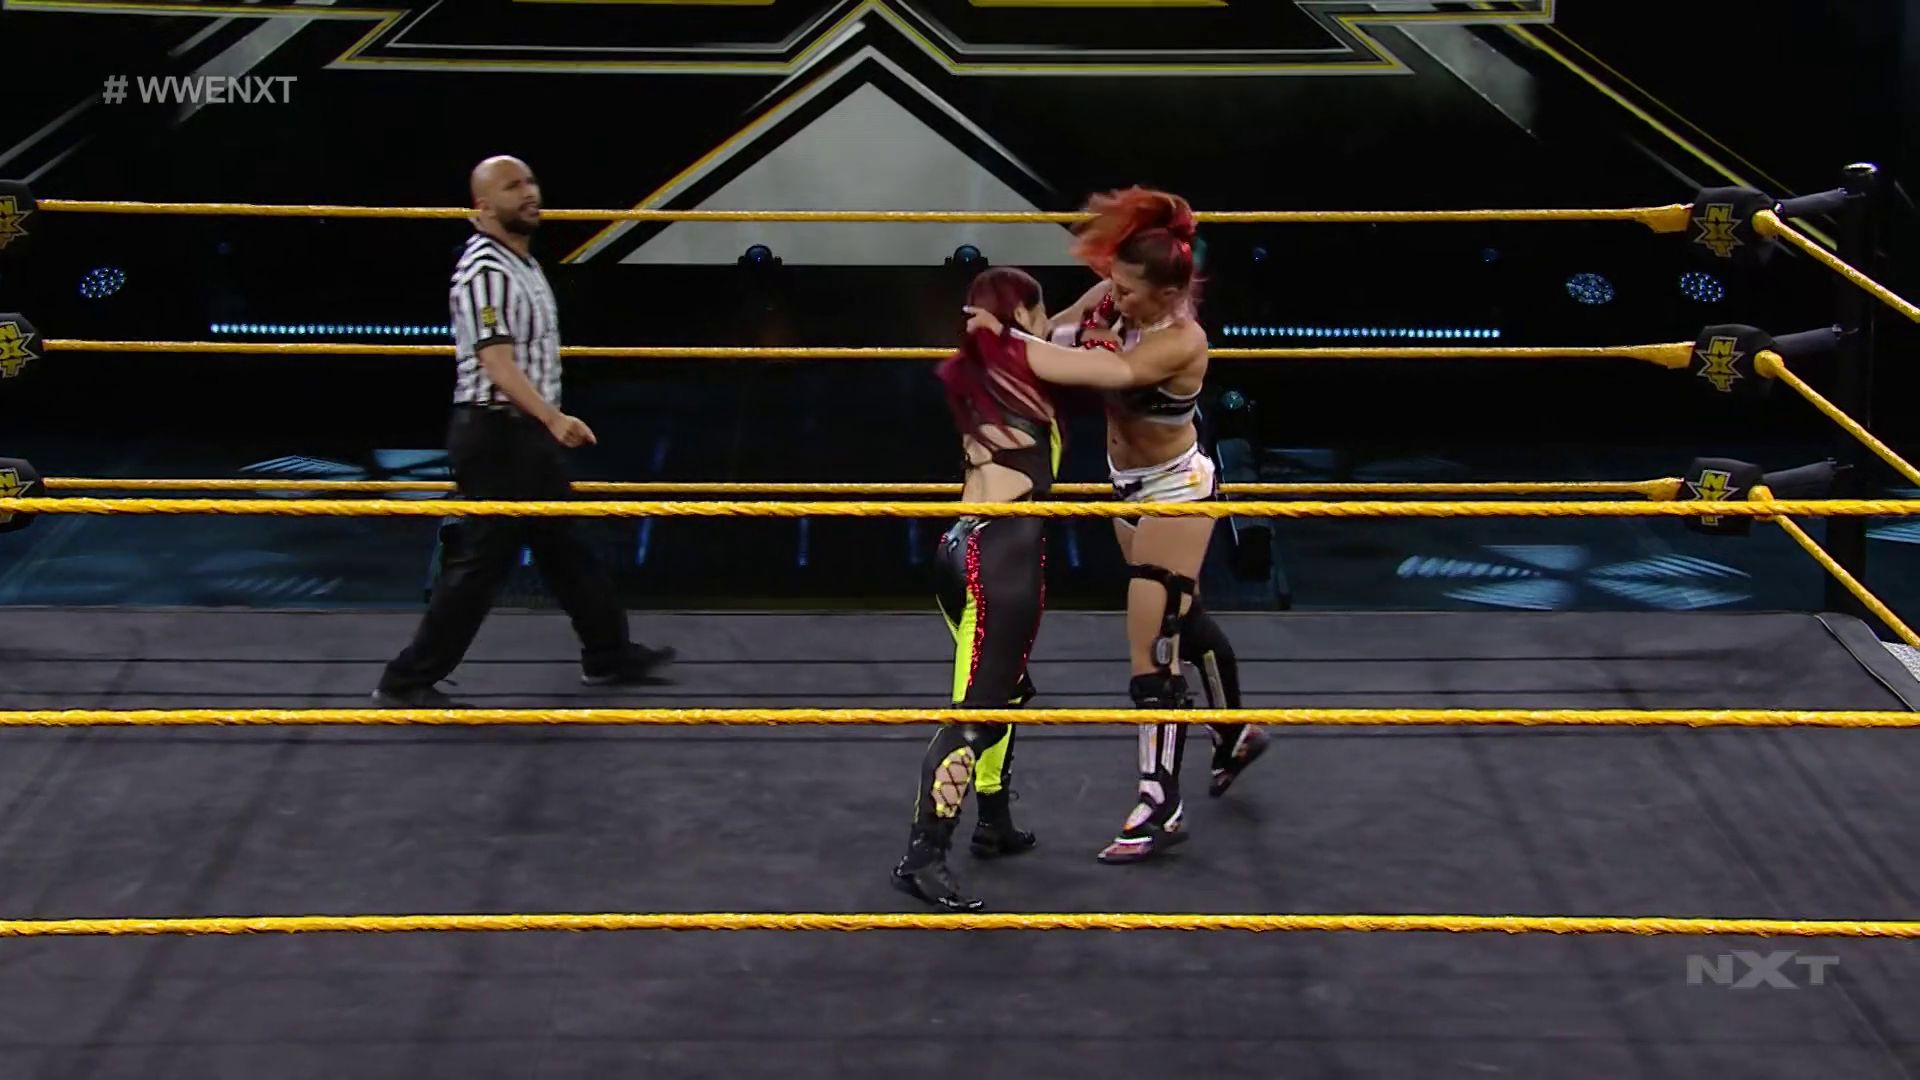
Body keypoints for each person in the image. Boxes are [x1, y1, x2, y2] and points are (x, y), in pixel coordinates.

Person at [963, 186, 1269, 866]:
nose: (1116, 297)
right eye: (1114, 283)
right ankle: (1235, 731)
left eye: (1130, 291)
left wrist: (1002, 340)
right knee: (1183, 618)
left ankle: (1160, 801)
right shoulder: (1113, 300)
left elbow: (1104, 368)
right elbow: (1056, 335)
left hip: (1175, 491)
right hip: (1126, 483)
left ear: (1170, 293)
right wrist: (1022, 327)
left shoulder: (1181, 341)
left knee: (1151, 644)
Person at [372, 155, 673, 708]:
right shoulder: (485, 271)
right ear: (484, 206)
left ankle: (607, 654)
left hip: (521, 433)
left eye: (531, 181)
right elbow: (497, 364)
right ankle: (406, 678)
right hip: (497, 434)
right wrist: (553, 418)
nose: (530, 192)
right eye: (513, 186)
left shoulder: (520, 262)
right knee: (483, 561)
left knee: (566, 547)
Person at [892, 267, 1057, 912]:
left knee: (1006, 691)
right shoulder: (1025, 366)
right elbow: (1114, 367)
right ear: (1021, 318)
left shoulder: (988, 365)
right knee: (978, 713)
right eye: (1039, 314)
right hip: (998, 560)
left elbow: (1062, 323)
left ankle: (992, 819)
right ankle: (922, 854)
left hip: (963, 547)